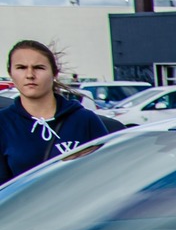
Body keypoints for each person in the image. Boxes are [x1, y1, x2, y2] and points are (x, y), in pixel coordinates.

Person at [1, 39, 110, 184]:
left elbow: (107, 175)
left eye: (39, 67)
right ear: (10, 73)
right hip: (26, 206)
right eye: (21, 67)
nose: (30, 75)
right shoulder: (4, 124)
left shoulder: (84, 120)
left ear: (54, 73)